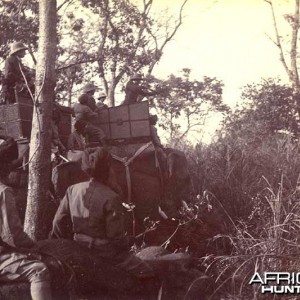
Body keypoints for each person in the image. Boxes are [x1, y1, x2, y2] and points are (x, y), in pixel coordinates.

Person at [51, 147, 154, 281]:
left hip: (78, 246)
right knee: (146, 271)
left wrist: (68, 245)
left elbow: (57, 223)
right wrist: (129, 241)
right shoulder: (111, 197)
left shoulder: (72, 190)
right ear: (108, 169)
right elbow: (115, 239)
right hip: (104, 252)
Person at [0, 137, 52, 300]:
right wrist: (33, 246)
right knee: (39, 270)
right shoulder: (3, 191)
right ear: (5, 167)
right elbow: (12, 235)